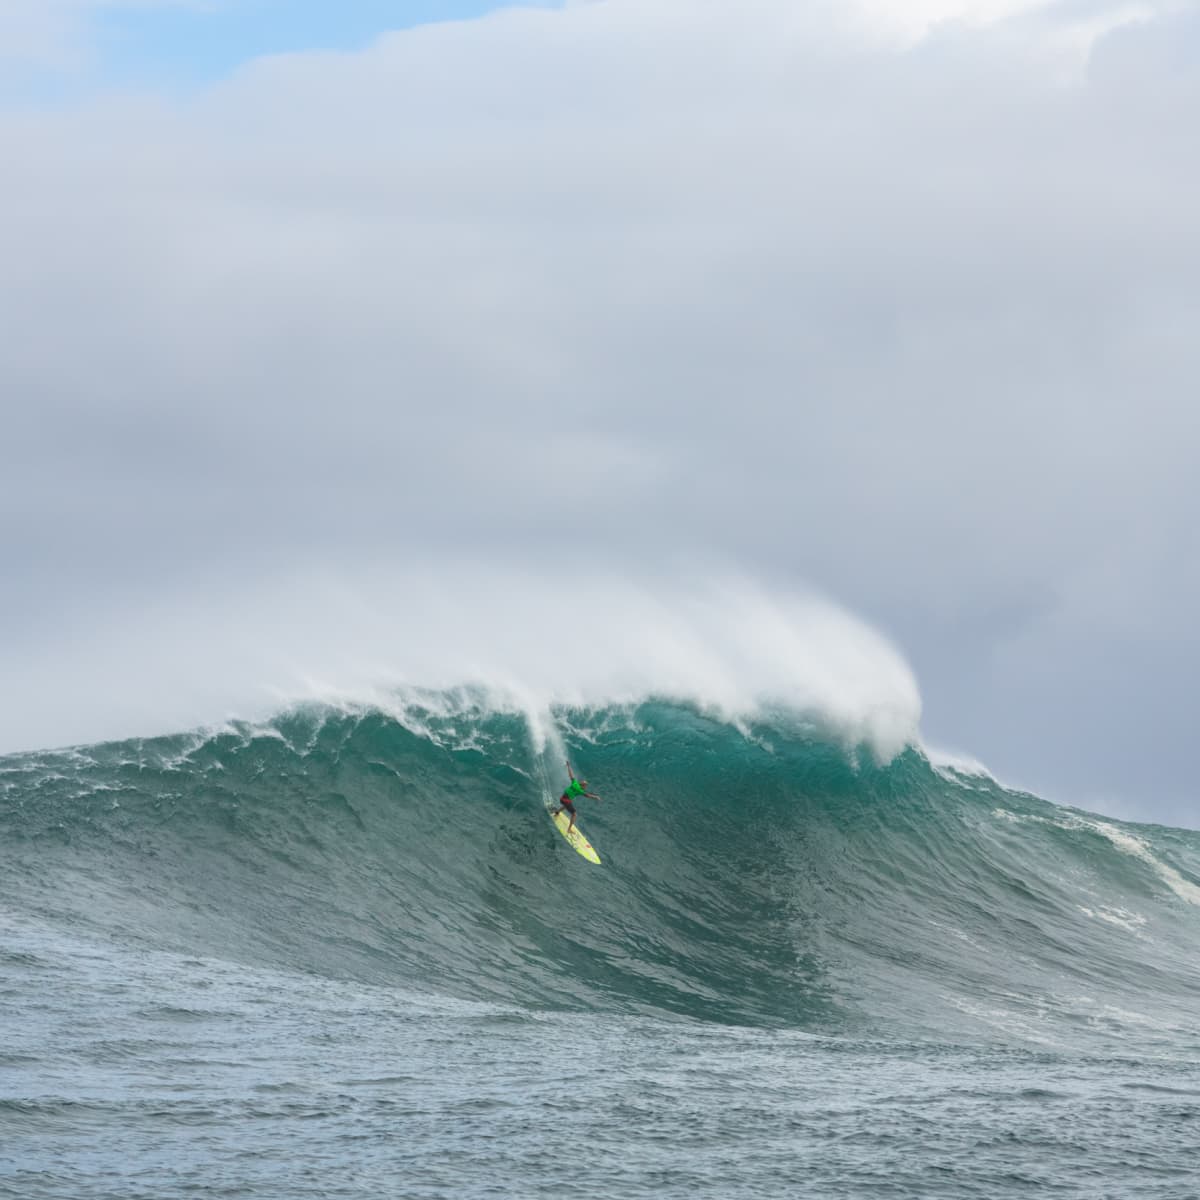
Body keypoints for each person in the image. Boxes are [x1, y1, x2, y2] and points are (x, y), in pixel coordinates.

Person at [552, 759, 601, 835]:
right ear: (583, 786)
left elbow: (570, 775)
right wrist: (596, 797)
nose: (586, 787)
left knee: (566, 805)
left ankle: (557, 812)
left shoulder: (575, 783)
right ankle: (569, 829)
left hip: (562, 798)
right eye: (585, 786)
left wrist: (568, 766)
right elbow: (588, 795)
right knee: (574, 814)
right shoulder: (580, 790)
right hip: (566, 800)